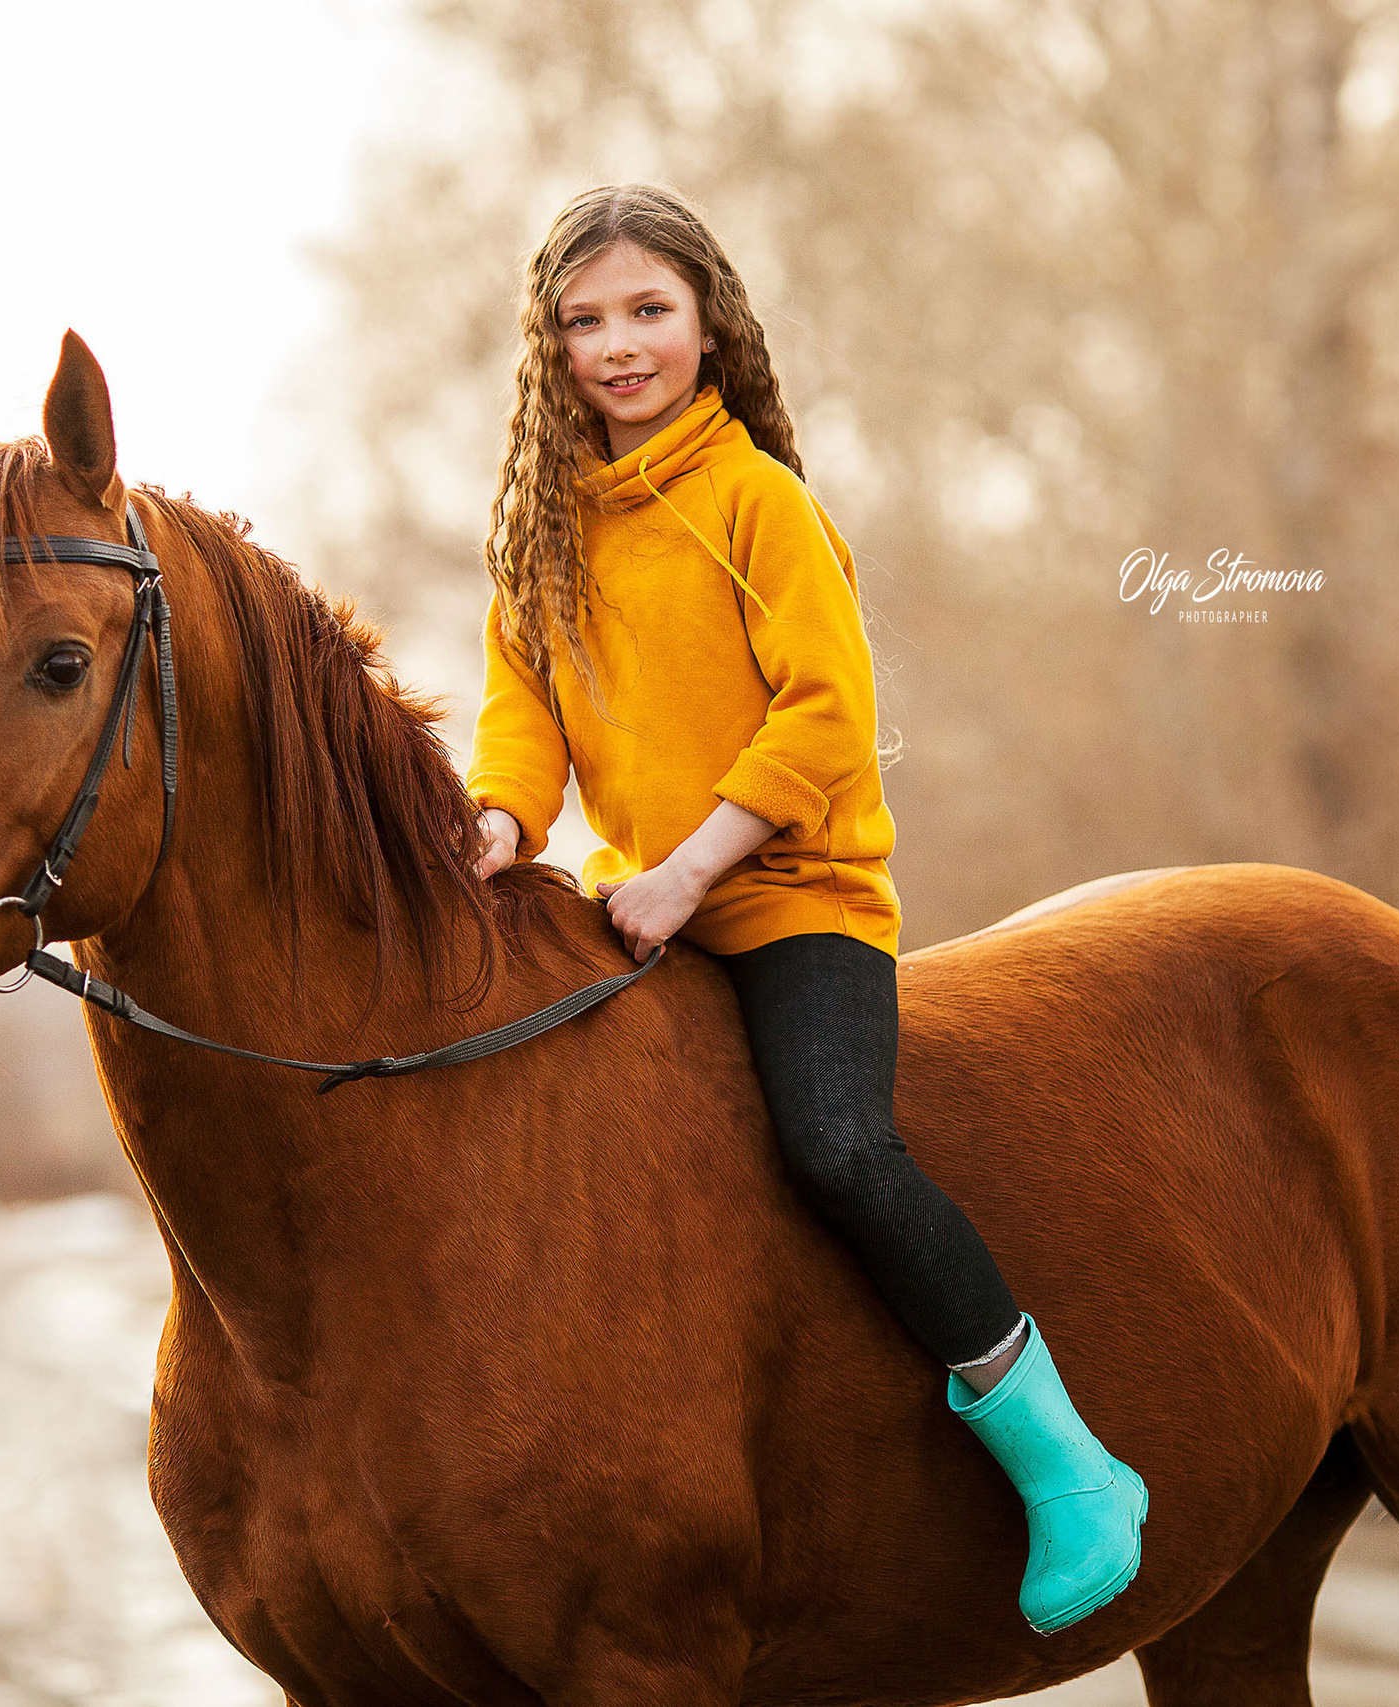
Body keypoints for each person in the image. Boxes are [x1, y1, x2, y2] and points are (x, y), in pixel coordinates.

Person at [461, 182, 1145, 1633]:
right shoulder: (538, 535)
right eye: (586, 323)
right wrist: (500, 821)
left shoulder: (757, 502)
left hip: (785, 899)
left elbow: (829, 719)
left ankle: (1065, 1459)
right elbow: (520, 718)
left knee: (836, 1145)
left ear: (710, 323)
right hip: (638, 909)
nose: (621, 346)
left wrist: (691, 867)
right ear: (550, 350)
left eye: (649, 311)